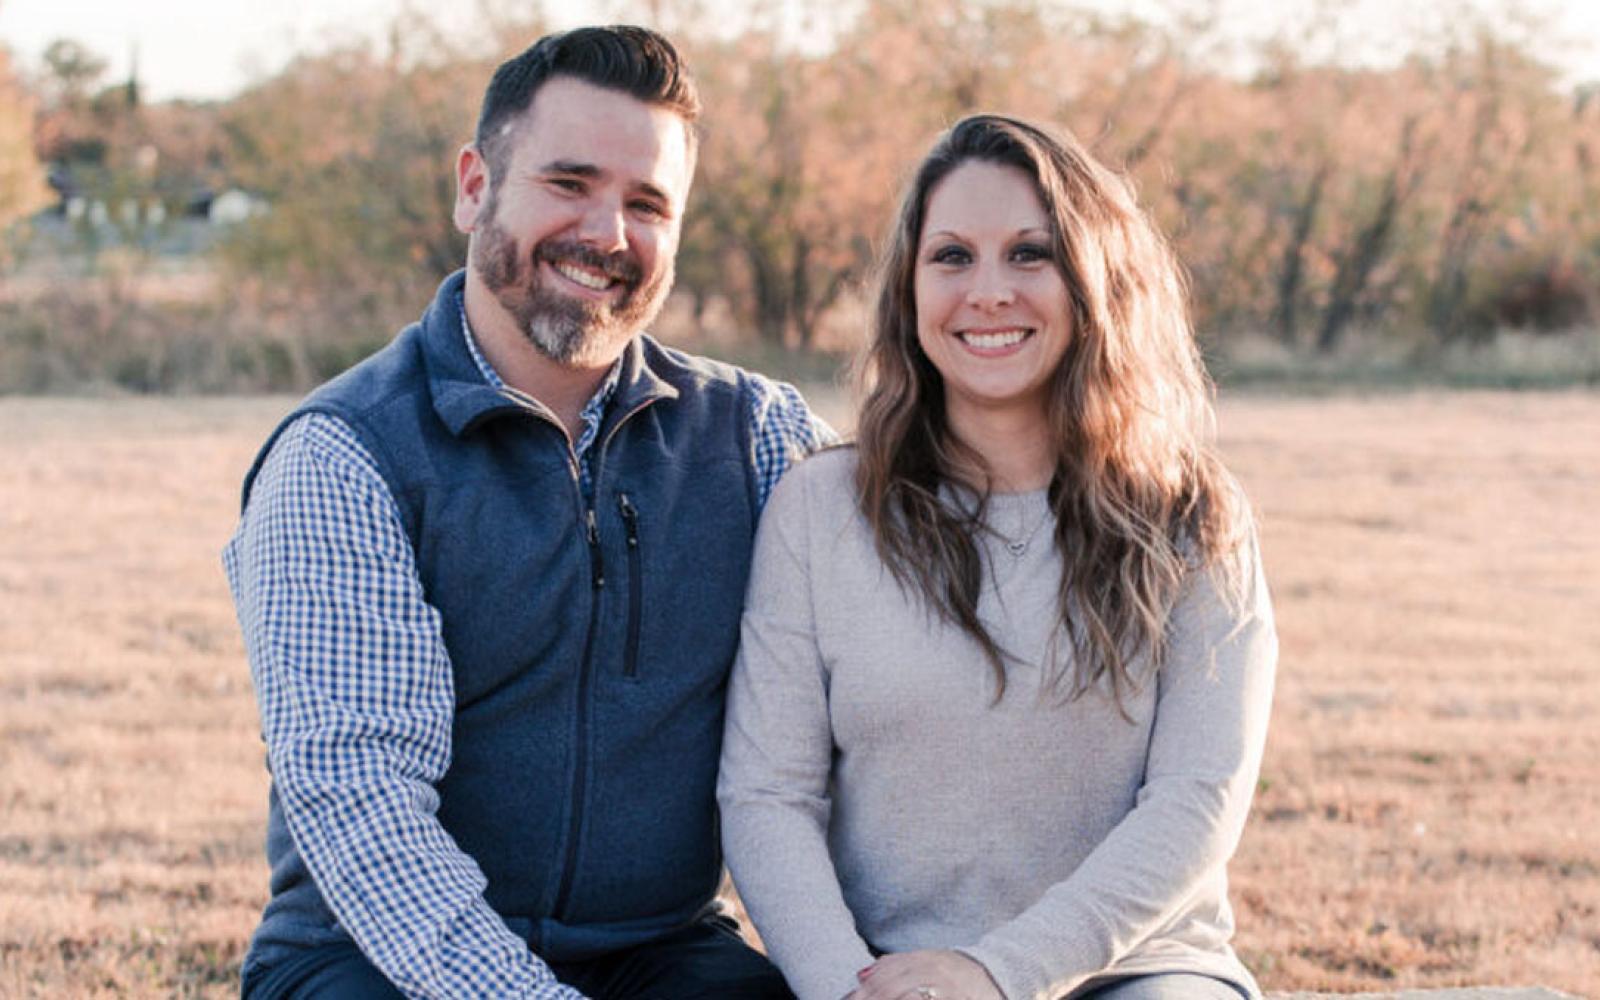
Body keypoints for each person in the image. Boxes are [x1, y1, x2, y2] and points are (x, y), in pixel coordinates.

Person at [224, 25, 831, 1000]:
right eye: (569, 183)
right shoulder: (342, 454)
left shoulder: (759, 435)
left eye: (646, 203)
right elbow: (364, 814)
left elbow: (889, 682)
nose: (608, 233)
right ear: (475, 185)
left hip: (659, 947)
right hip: (370, 956)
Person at [717, 114, 1278, 1000]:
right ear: (908, 289)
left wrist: (999, 972)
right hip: (891, 976)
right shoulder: (819, 511)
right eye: (952, 257)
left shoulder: (1192, 514)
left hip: (1139, 970)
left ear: (1097, 280)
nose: (988, 291)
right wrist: (846, 986)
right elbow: (767, 799)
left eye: (1031, 253)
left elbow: (1197, 800)